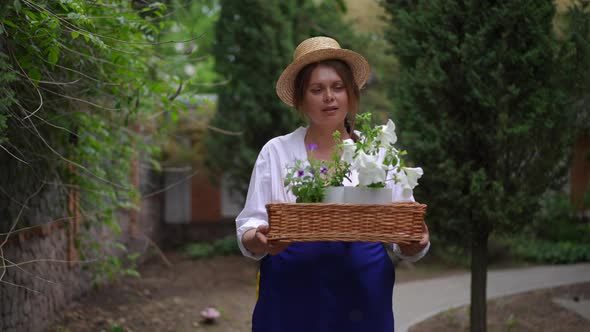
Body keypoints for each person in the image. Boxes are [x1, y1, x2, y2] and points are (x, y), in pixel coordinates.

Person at [236, 36, 430, 332]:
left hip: (363, 295)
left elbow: (404, 232)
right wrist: (257, 238)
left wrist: (415, 242)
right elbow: (251, 223)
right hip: (292, 296)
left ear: (350, 94)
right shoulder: (276, 152)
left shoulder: (378, 153)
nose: (329, 97)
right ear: (301, 99)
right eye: (317, 89)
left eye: (337, 87)